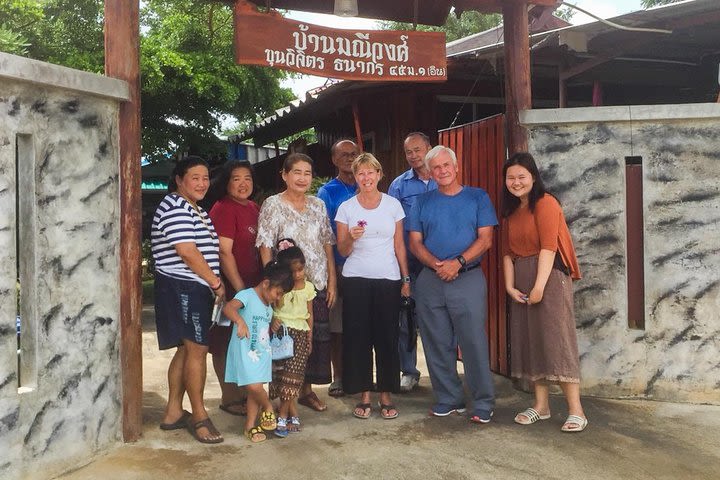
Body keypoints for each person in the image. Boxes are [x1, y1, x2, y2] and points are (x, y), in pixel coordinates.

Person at [407, 145, 497, 424]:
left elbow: (485, 239)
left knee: (473, 341)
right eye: (436, 167)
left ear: (456, 167)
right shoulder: (422, 202)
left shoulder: (477, 197)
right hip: (430, 279)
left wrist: (457, 262)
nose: (442, 170)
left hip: (467, 277)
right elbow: (415, 242)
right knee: (436, 342)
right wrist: (437, 265)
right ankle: (449, 398)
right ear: (430, 172)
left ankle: (483, 401)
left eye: (447, 165)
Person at [501, 152, 588, 433]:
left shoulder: (546, 203)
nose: (516, 182)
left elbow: (549, 247)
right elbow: (507, 254)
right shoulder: (511, 211)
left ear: (533, 177)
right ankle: (542, 406)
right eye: (511, 177)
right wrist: (510, 286)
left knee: (557, 340)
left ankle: (577, 411)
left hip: (549, 276)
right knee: (532, 340)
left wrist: (539, 286)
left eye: (521, 176)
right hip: (522, 277)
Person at [151, 155, 225, 444]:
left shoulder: (195, 209)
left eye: (205, 178)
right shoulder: (175, 206)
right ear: (179, 180)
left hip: (192, 287)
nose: (202, 183)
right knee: (196, 350)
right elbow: (187, 251)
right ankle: (198, 415)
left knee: (185, 349)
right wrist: (216, 282)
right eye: (195, 177)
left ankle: (172, 412)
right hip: (183, 285)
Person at [256, 153, 337, 412]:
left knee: (313, 338)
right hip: (287, 286)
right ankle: (283, 398)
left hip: (316, 283)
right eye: (297, 172)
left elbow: (327, 243)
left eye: (307, 173)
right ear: (285, 175)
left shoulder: (318, 205)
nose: (302, 178)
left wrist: (332, 282)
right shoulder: (273, 204)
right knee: (287, 340)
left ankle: (307, 391)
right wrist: (271, 284)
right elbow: (265, 244)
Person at [335, 153, 411, 420]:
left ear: (379, 174)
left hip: (388, 278)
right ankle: (365, 393)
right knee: (359, 338)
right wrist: (351, 238)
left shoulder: (392, 205)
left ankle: (387, 394)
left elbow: (399, 245)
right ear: (355, 177)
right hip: (356, 279)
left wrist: (405, 279)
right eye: (360, 174)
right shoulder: (346, 208)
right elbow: (342, 250)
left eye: (370, 172)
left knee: (387, 337)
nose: (366, 178)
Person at [208, 161, 261, 417]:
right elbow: (224, 252)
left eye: (247, 178)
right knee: (224, 341)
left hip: (253, 286)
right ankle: (229, 396)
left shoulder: (254, 207)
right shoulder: (224, 209)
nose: (243, 184)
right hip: (230, 287)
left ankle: (243, 393)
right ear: (226, 183)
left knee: (244, 340)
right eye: (236, 178)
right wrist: (241, 290)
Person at [388, 132, 438, 393]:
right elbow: (392, 226)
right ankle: (409, 371)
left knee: (437, 319)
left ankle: (441, 371)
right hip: (408, 262)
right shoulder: (399, 185)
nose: (414, 156)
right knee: (406, 320)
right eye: (409, 152)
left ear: (429, 148)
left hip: (439, 262)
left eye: (418, 150)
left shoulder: (443, 177)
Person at [223, 261, 294, 443]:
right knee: (254, 387)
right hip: (245, 351)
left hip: (262, 354)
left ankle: (250, 427)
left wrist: (273, 323)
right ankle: (268, 406)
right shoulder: (247, 295)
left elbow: (263, 325)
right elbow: (228, 308)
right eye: (277, 293)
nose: (277, 298)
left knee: (255, 390)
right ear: (265, 283)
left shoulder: (269, 307)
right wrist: (239, 321)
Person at [317, 139, 359, 398]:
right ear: (333, 160)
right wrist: (335, 272)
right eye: (343, 155)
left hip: (367, 268)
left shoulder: (366, 185)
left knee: (363, 326)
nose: (349, 158)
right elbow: (327, 235)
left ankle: (362, 375)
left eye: (353, 154)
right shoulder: (327, 192)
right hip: (340, 268)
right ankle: (340, 377)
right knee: (339, 327)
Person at [269, 239, 316, 437]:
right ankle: (292, 411)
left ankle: (282, 416)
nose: (298, 274)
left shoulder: (307, 288)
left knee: (293, 378)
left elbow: (310, 315)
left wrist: (309, 338)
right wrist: (273, 323)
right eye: (293, 271)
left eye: (300, 269)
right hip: (281, 335)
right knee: (280, 375)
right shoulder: (280, 289)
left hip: (300, 335)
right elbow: (273, 308)